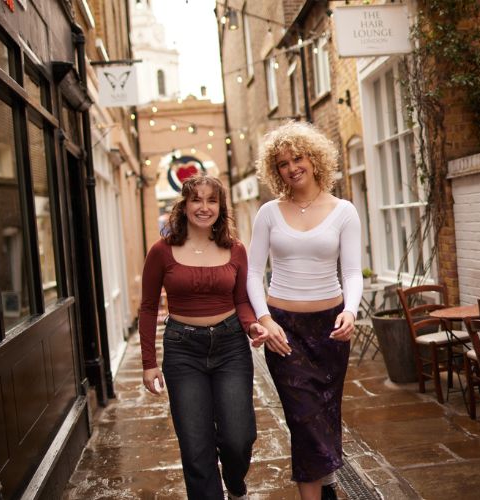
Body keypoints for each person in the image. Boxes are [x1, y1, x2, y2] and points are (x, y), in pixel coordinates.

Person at [246, 121, 363, 500]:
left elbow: (350, 271)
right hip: (285, 331)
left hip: (330, 331)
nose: (292, 167)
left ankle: (326, 486)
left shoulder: (344, 211)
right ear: (274, 170)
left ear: (313, 160)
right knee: (303, 418)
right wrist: (265, 319)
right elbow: (251, 272)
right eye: (282, 163)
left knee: (325, 414)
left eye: (298, 158)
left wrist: (351, 310)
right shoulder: (268, 212)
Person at [139, 174, 268, 500]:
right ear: (184, 205)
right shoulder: (162, 251)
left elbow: (241, 300)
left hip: (230, 347)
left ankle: (235, 482)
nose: (204, 207)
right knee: (196, 446)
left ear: (221, 207)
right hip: (183, 352)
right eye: (197, 199)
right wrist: (149, 362)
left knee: (238, 437)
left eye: (212, 200)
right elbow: (148, 306)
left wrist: (251, 324)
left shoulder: (235, 249)